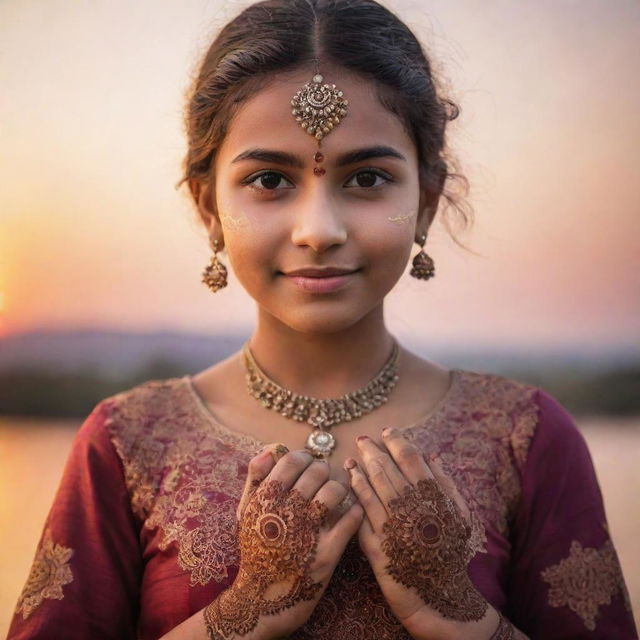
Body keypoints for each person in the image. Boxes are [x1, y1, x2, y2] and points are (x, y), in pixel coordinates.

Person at [7, 1, 637, 639]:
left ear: (424, 202)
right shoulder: (127, 445)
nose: (319, 230)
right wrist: (246, 612)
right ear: (208, 208)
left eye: (366, 178)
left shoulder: (524, 439)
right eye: (269, 180)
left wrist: (456, 613)